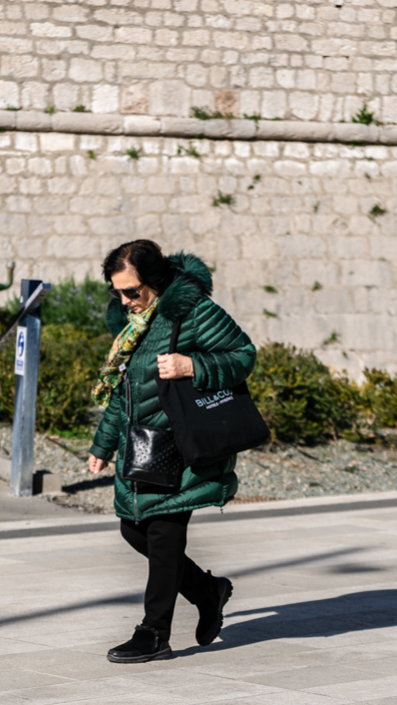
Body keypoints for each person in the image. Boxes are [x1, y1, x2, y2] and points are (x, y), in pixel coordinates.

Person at [87, 239, 257, 663]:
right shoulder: (135, 326)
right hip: (142, 446)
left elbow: (243, 354)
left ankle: (154, 633)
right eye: (116, 292)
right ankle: (207, 591)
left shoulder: (192, 311)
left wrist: (192, 366)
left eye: (131, 291)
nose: (124, 301)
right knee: (134, 530)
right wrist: (103, 444)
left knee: (163, 535)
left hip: (180, 447)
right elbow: (125, 393)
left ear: (155, 280)